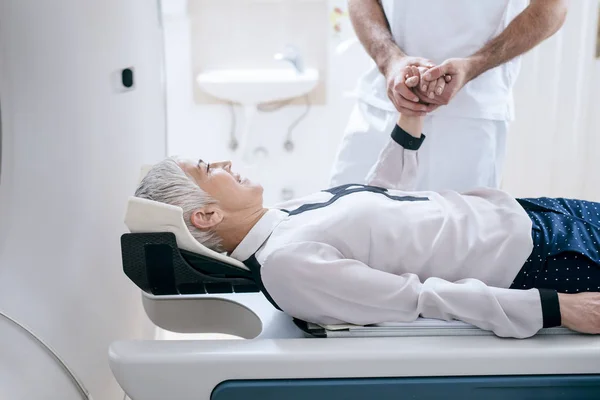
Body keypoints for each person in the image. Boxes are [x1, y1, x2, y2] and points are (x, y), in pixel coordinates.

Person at [135, 72, 600, 339]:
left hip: (531, 215)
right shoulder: (285, 265)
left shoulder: (284, 220)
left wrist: (409, 120)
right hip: (545, 259)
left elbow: (376, 197)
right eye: (206, 167)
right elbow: (420, 297)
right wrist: (554, 308)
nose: (225, 161)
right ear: (206, 215)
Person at [329, 0, 568, 192]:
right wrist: (389, 60)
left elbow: (553, 6)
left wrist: (474, 65)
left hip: (471, 120)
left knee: (451, 246)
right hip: (380, 105)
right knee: (340, 232)